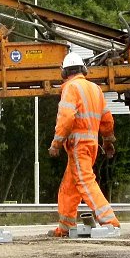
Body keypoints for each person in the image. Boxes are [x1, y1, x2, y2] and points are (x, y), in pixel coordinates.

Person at [48, 52, 120, 236]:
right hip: (92, 144)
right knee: (69, 187)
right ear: (83, 69)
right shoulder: (95, 88)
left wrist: (56, 143)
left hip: (78, 144)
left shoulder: (71, 88)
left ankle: (109, 220)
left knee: (85, 182)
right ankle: (64, 227)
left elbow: (66, 117)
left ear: (64, 72)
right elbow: (106, 119)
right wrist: (108, 140)